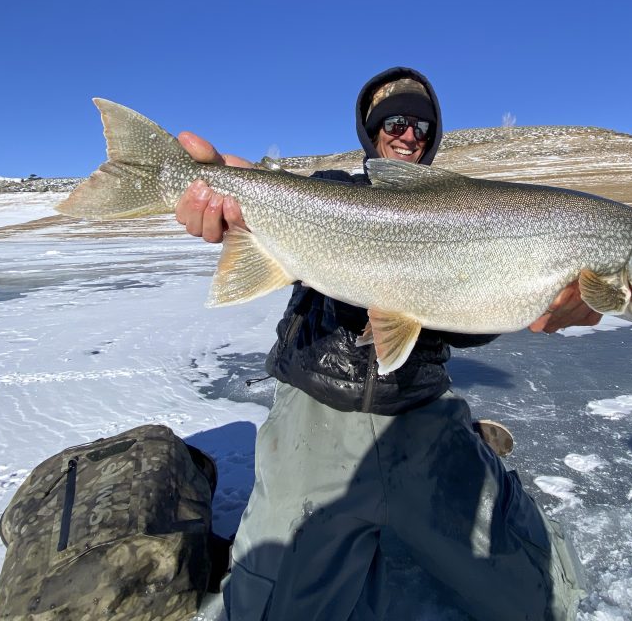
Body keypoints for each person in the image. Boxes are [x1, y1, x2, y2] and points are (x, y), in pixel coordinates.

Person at [175, 67, 601, 620]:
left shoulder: (462, 213)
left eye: (422, 126)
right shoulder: (331, 196)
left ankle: (467, 450)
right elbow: (264, 194)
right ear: (372, 131)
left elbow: (466, 320)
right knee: (269, 608)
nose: (409, 135)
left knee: (539, 597)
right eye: (395, 122)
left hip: (420, 409)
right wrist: (228, 188)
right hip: (316, 407)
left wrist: (536, 303)